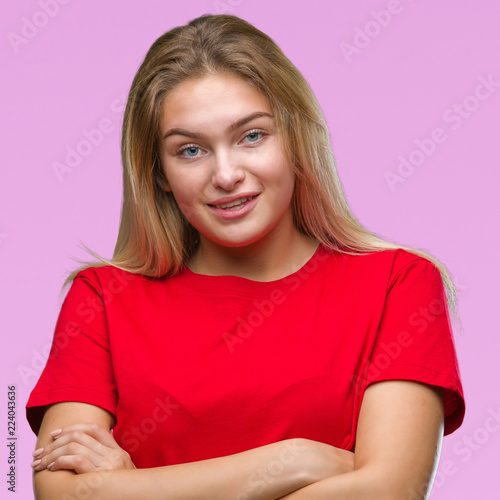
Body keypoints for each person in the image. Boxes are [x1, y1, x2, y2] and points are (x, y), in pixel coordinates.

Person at [26, 13, 465, 500]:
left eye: (252, 136)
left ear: (296, 139)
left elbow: (388, 492)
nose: (226, 174)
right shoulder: (102, 299)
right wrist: (290, 461)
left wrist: (132, 488)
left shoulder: (398, 284)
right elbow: (64, 495)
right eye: (191, 150)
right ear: (159, 174)